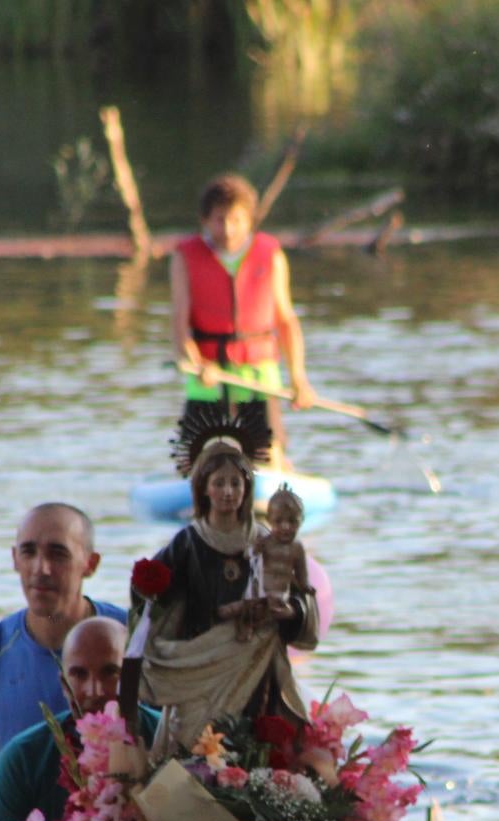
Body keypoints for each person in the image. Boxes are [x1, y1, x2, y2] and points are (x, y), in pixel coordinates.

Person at [135, 406, 318, 759]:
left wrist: (289, 611)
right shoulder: (187, 543)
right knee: (194, 746)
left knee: (252, 745)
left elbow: (302, 598)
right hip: (200, 659)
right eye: (219, 483)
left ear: (246, 486)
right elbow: (152, 602)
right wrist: (150, 596)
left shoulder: (267, 541)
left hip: (255, 663)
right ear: (203, 488)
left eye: (235, 482)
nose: (228, 491)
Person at [0, 502, 126, 800]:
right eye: (29, 552)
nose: (41, 568)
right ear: (14, 559)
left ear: (91, 563)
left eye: (58, 554)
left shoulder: (134, 640)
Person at [170, 172, 314, 468]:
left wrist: (298, 378)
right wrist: (197, 363)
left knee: (267, 455)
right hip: (206, 375)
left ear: (250, 219)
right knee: (196, 460)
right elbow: (179, 324)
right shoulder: (185, 257)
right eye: (219, 219)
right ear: (205, 220)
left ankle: (276, 471)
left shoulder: (270, 255)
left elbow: (286, 321)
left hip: (258, 376)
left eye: (236, 219)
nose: (227, 229)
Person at [0, 615, 127, 821]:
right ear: (63, 683)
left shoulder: (167, 745)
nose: (94, 691)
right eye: (79, 675)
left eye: (111, 673)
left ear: (136, 676)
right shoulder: (24, 757)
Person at [229, 484, 309, 641]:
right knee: (250, 607)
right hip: (262, 590)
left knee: (278, 610)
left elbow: (301, 571)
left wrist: (305, 586)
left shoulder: (297, 547)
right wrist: (254, 550)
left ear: (301, 521)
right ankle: (245, 626)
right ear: (269, 520)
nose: (286, 527)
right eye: (279, 521)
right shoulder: (266, 542)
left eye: (292, 521)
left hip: (281, 593)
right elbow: (248, 557)